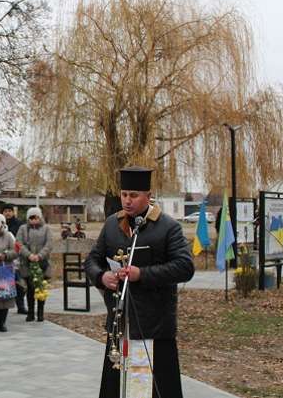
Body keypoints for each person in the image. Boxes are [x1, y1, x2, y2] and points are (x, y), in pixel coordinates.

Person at [84, 167, 194, 398]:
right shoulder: (112, 224)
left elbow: (185, 267)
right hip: (119, 321)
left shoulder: (168, 227)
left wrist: (141, 274)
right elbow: (92, 260)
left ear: (148, 195)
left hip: (154, 323)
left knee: (157, 388)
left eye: (133, 195)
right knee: (116, 385)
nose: (127, 200)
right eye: (124, 194)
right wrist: (101, 277)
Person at [16, 207, 52, 322]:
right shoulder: (22, 229)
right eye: (31, 217)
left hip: (43, 263)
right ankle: (30, 313)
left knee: (41, 288)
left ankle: (40, 313)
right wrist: (29, 255)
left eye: (36, 217)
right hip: (27, 263)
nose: (34, 220)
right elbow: (19, 244)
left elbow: (49, 244)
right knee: (30, 289)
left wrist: (39, 255)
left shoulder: (46, 229)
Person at [2, 204, 27, 314]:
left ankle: (20, 306)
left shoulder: (20, 224)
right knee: (4, 283)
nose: (7, 213)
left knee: (20, 283)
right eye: (5, 211)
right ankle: (3, 308)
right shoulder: (0, 224)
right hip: (4, 257)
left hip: (17, 257)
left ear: (13, 212)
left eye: (9, 211)